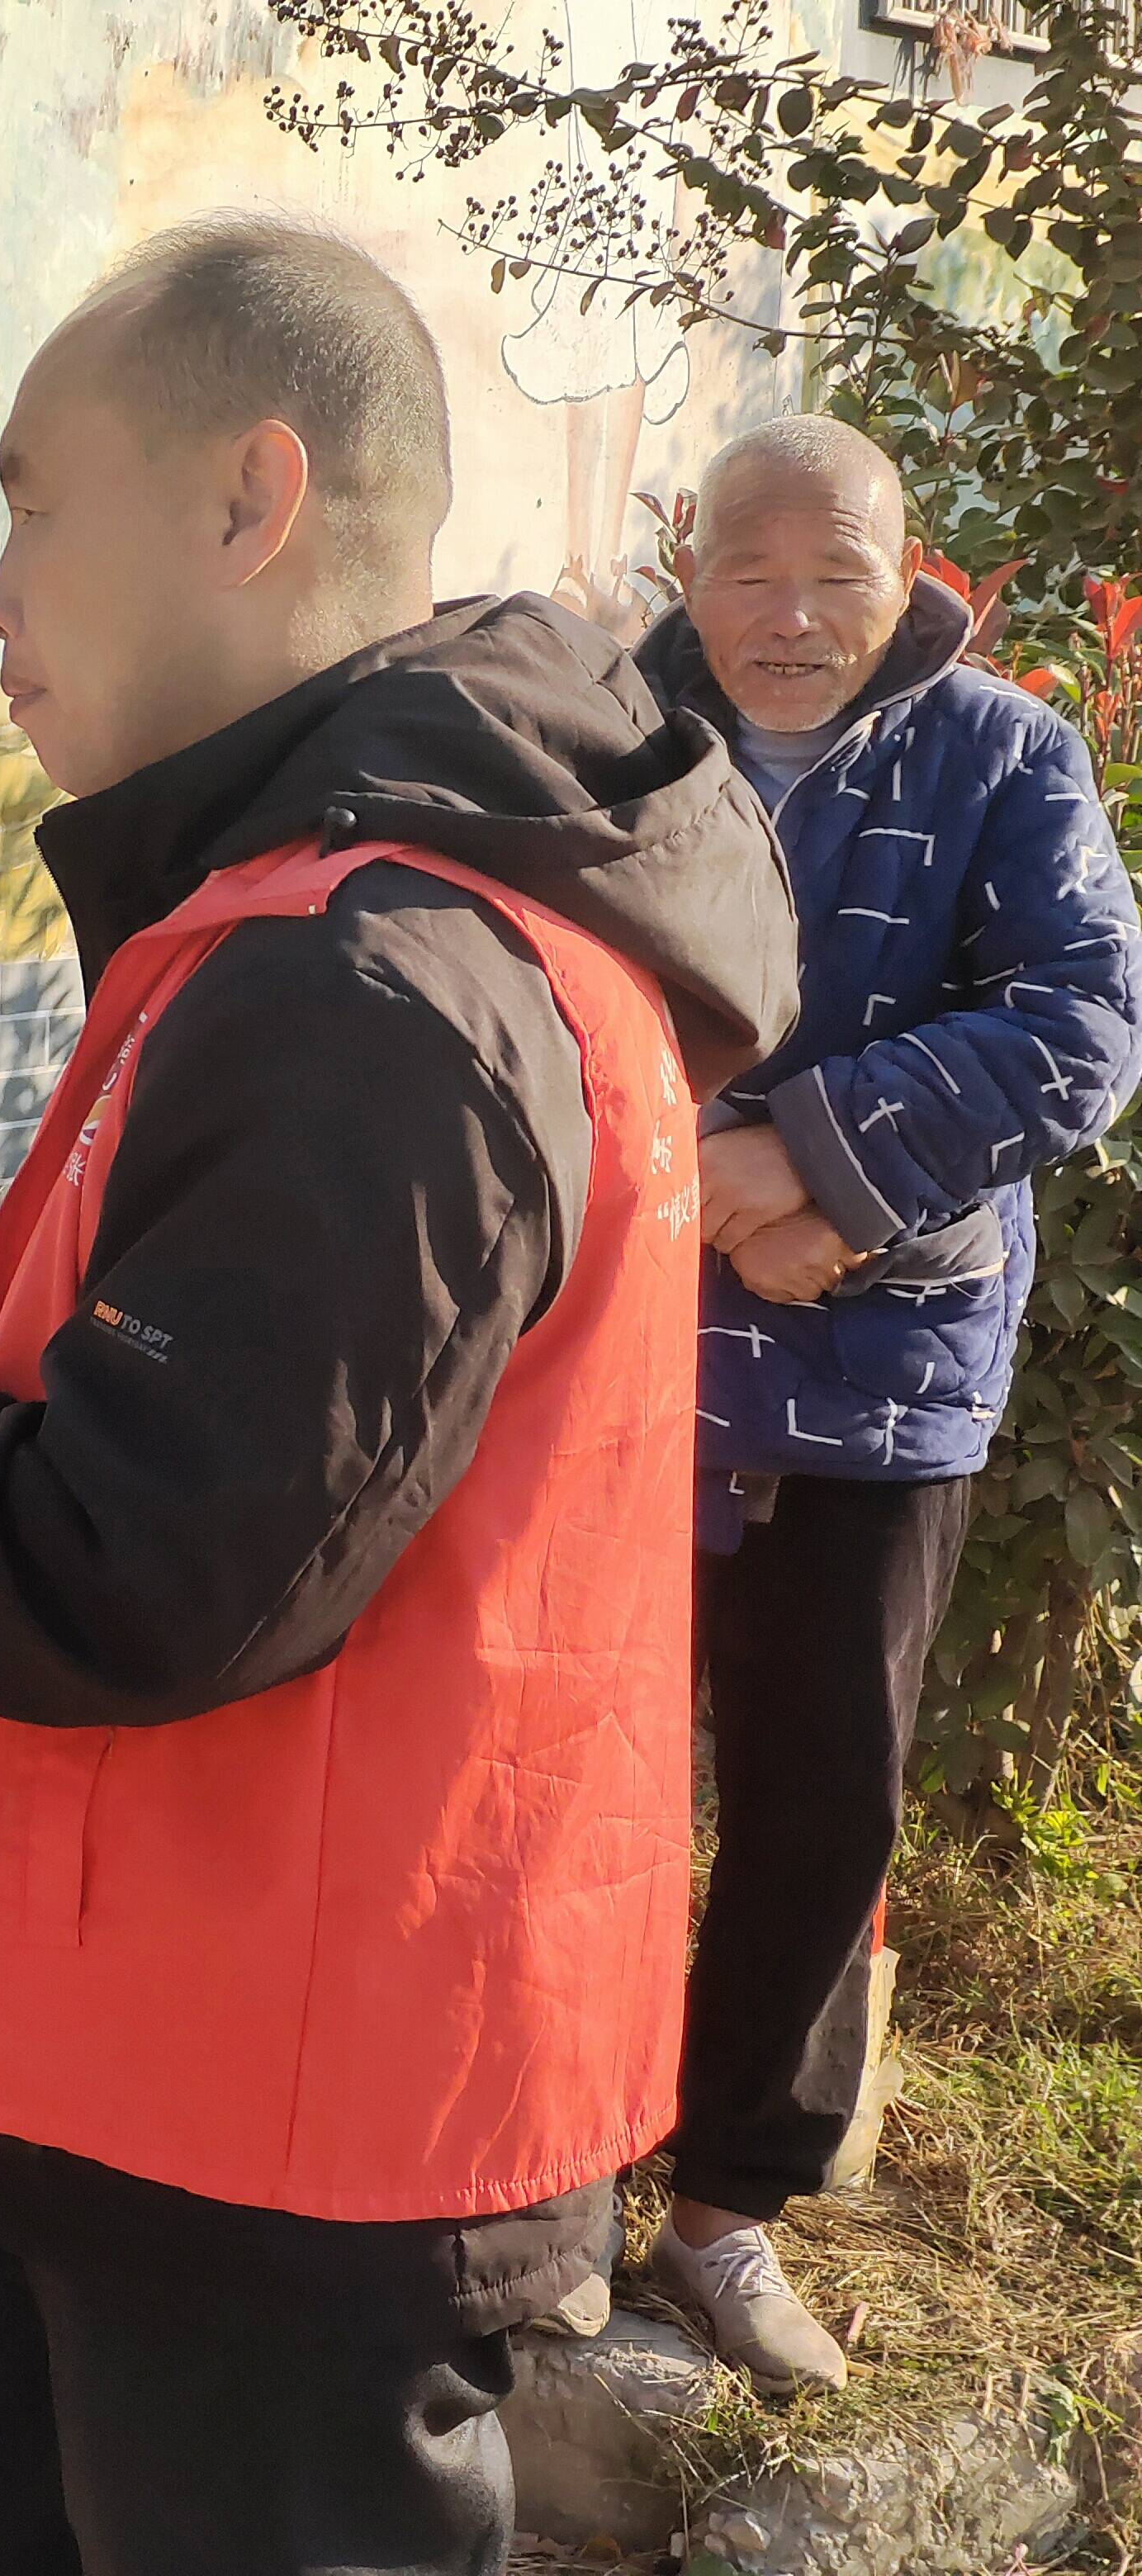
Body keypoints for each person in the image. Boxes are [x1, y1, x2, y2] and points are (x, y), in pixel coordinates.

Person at [0, 215, 798, 2574]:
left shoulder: (374, 978)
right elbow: (230, 1413)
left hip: (282, 2136)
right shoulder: (324, 918)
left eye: (30, 505)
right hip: (158, 2085)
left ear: (250, 499)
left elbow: (147, 1557)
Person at [637, 415, 1141, 2393]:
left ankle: (722, 2214)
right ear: (687, 574)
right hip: (628, 1361)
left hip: (871, 1378)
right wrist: (706, 1194)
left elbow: (1082, 1023)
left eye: (831, 571)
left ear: (907, 570)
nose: (786, 614)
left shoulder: (1001, 754)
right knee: (572, 1787)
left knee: (819, 1800)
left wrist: (806, 1174)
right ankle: (536, 2165)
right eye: (746, 570)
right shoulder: (612, 736)